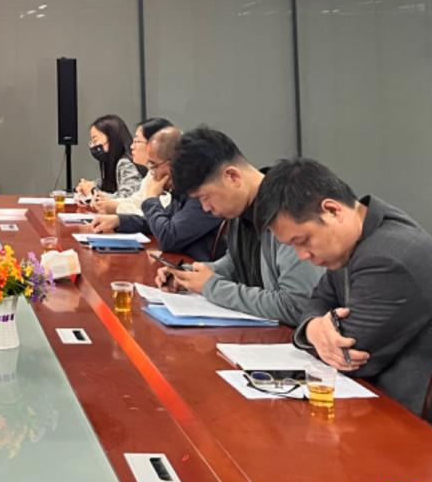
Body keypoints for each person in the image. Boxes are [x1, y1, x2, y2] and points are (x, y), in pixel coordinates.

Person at [256, 157, 432, 414]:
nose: (302, 255)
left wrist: (318, 331)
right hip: (395, 401)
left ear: (332, 211)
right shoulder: (359, 234)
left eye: (303, 240)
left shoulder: (389, 257)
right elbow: (318, 300)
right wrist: (313, 327)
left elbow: (350, 356)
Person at [154, 127, 322, 326]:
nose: (205, 208)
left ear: (232, 176)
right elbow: (237, 262)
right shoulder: (241, 210)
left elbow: (297, 305)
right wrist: (190, 276)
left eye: (205, 197)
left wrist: (212, 287)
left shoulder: (288, 210)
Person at [84, 126, 222, 262]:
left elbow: (169, 238)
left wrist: (151, 200)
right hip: (181, 265)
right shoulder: (181, 190)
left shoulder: (202, 194)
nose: (152, 173)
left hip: (196, 269)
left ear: (175, 163)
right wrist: (119, 221)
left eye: (154, 166)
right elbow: (161, 222)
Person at [86, 117, 173, 217]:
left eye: (137, 141)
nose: (132, 146)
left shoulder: (170, 177)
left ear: (155, 145)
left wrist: (114, 206)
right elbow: (135, 201)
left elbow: (153, 215)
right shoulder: (151, 174)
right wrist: (110, 203)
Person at [75, 114, 142, 201]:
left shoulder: (126, 163)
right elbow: (109, 183)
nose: (92, 146)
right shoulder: (115, 163)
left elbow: (127, 198)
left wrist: (93, 191)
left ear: (112, 138)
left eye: (95, 140)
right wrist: (91, 185)